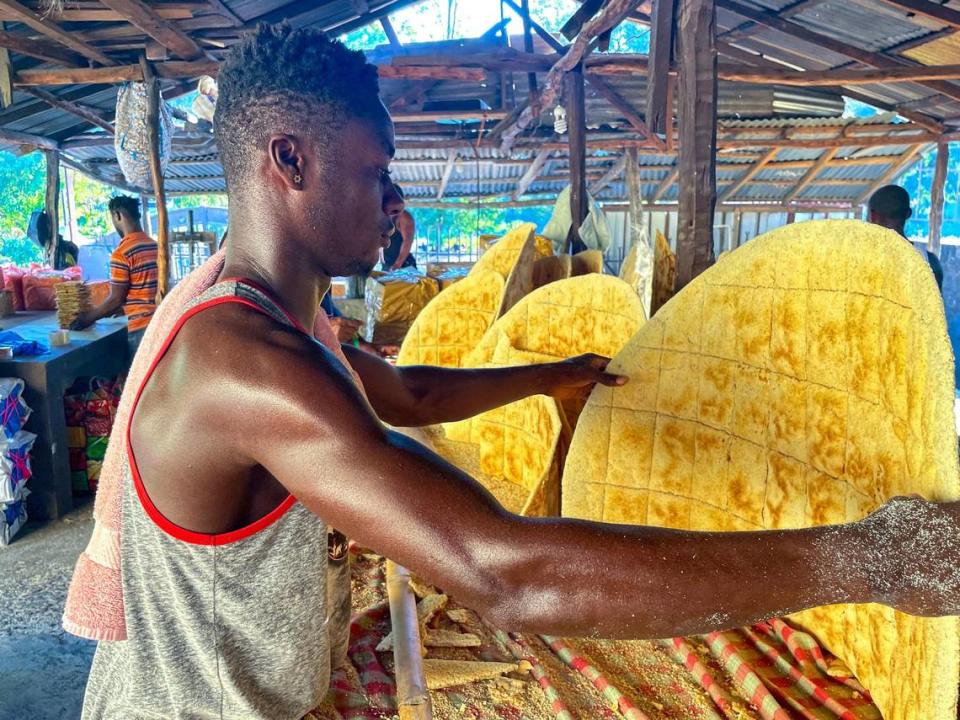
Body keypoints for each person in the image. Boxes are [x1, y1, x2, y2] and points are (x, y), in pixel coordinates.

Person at [79, 24, 960, 720]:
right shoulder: (246, 363)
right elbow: (504, 574)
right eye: (377, 173)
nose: (395, 205)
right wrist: (861, 561)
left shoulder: (291, 328)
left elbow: (408, 393)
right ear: (290, 160)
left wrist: (547, 377)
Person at [72, 196, 158, 359]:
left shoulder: (122, 252)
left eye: (113, 218)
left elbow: (116, 299)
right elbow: (145, 290)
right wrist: (120, 309)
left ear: (118, 215)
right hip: (160, 322)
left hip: (141, 327)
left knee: (136, 381)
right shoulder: (155, 246)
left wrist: (86, 319)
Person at [867, 184, 944, 290]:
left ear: (873, 216)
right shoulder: (929, 262)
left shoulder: (860, 258)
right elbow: (937, 305)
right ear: (908, 214)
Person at [381, 184, 416, 271]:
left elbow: (407, 241)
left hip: (403, 267)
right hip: (387, 265)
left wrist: (397, 264)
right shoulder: (384, 217)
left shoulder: (404, 217)